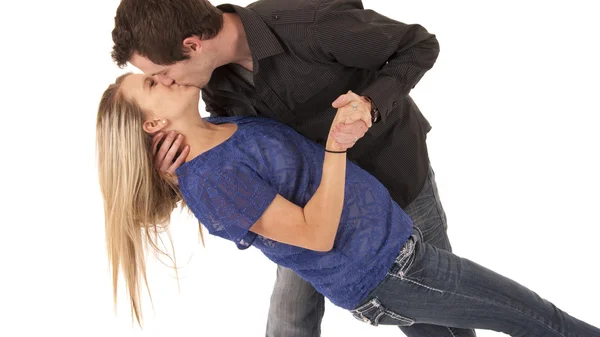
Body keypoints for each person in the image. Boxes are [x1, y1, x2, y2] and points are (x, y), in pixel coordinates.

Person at [96, 72, 599, 337]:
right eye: (150, 84)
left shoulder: (219, 128)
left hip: (396, 254)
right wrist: (336, 148)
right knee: (537, 320)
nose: (162, 75)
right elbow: (315, 233)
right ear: (152, 125)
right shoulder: (210, 179)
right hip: (389, 274)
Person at [111, 0, 458, 337]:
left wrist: (370, 104)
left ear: (192, 45)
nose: (166, 84)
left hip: (395, 177)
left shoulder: (310, 23)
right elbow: (226, 176)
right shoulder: (211, 87)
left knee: (436, 312)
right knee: (289, 315)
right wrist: (171, 175)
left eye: (161, 74)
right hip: (310, 211)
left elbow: (419, 45)